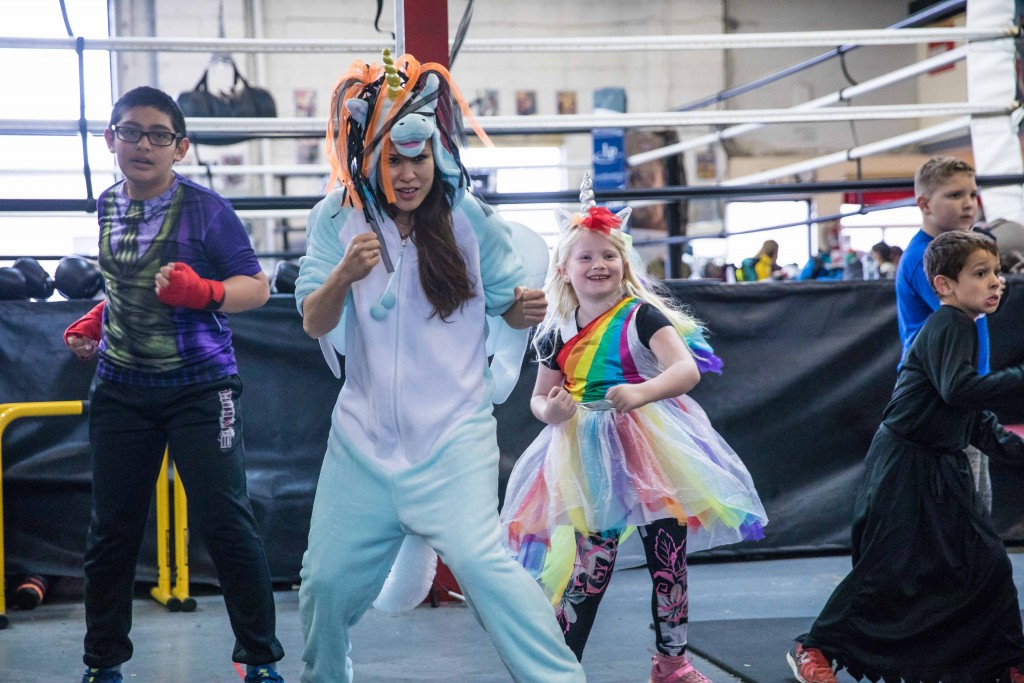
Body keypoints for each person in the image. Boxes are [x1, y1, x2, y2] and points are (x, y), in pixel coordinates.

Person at [293, 52, 585, 683]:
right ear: (369, 157)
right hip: (361, 446)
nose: (407, 173)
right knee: (322, 585)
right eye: (394, 159)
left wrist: (522, 308)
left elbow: (512, 308)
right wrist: (345, 274)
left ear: (437, 156)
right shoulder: (335, 220)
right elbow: (315, 321)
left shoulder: (470, 221)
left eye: (419, 157)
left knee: (485, 570)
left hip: (453, 438)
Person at [500, 179, 768, 683]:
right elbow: (539, 396)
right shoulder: (556, 329)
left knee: (668, 557)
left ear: (624, 264)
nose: (598, 265)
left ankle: (672, 663)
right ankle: (557, 666)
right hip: (586, 454)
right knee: (591, 565)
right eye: (585, 258)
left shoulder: (642, 316)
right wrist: (551, 412)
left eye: (608, 255)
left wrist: (641, 393)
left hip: (652, 448)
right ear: (563, 269)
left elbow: (684, 371)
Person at [62, 86, 284, 683]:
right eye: (130, 131)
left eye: (159, 135)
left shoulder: (208, 211)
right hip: (120, 388)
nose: (143, 144)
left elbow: (257, 289)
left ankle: (259, 660)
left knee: (225, 521)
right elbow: (124, 289)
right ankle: (102, 664)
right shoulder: (108, 205)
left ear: (180, 147)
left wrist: (207, 292)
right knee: (111, 530)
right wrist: (95, 321)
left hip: (199, 388)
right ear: (111, 140)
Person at [787, 230, 1024, 683]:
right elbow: (960, 389)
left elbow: (970, 416)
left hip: (940, 465)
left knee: (986, 561)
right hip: (904, 466)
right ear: (944, 286)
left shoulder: (964, 327)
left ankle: (1007, 661)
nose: (996, 282)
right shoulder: (950, 324)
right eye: (981, 273)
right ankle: (815, 647)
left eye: (997, 272)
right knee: (887, 565)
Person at [894, 156, 993, 513]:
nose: (968, 203)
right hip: (940, 401)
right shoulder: (926, 259)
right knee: (962, 513)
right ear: (924, 204)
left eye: (972, 193)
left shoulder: (955, 257)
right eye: (954, 195)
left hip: (960, 394)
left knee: (975, 507)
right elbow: (964, 313)